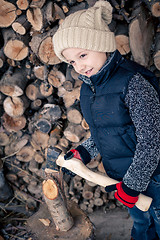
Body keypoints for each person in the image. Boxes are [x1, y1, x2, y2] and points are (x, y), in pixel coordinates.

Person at [52, 1, 160, 239]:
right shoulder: (89, 89)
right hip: (125, 180)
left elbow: (152, 141)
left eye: (82, 55)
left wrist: (134, 184)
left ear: (101, 45)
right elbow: (105, 131)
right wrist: (84, 152)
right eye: (72, 62)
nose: (79, 66)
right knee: (142, 225)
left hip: (152, 178)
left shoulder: (134, 84)